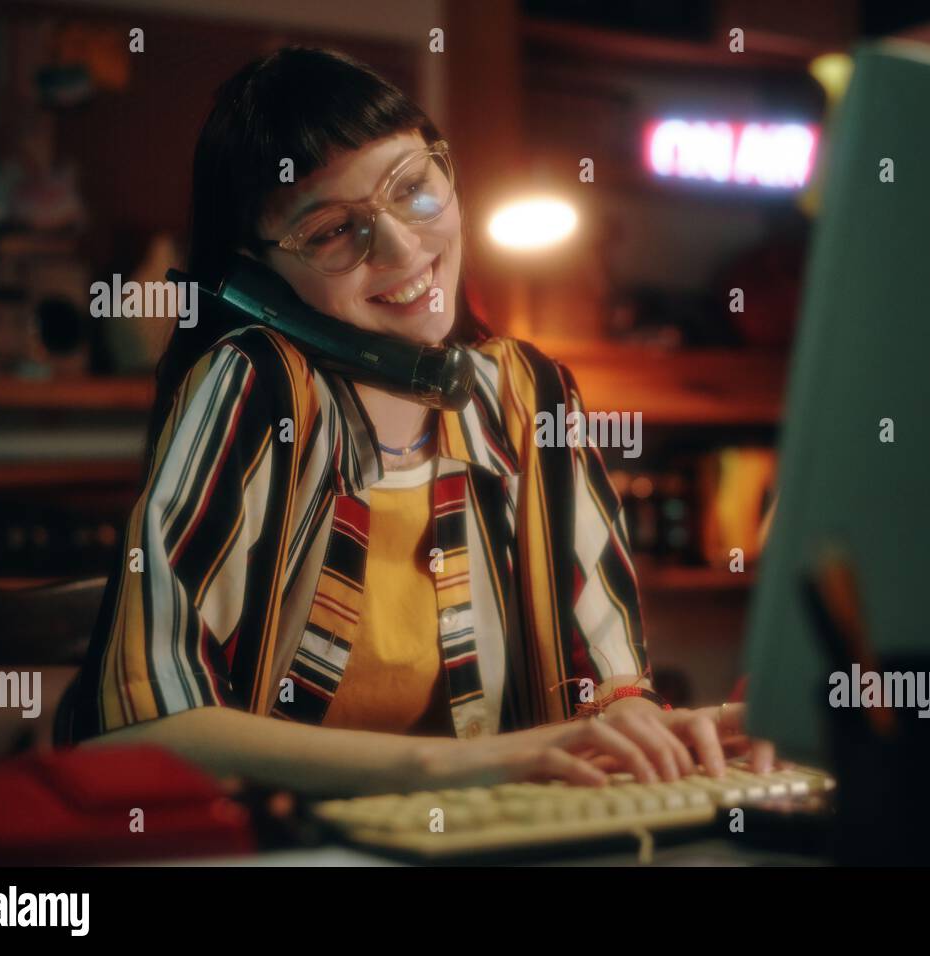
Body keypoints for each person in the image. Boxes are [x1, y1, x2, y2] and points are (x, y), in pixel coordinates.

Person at [66, 47, 773, 797]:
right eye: (333, 231)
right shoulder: (257, 387)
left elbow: (604, 684)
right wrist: (453, 765)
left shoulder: (533, 396)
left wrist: (649, 725)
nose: (404, 248)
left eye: (414, 188)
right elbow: (136, 728)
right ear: (257, 278)